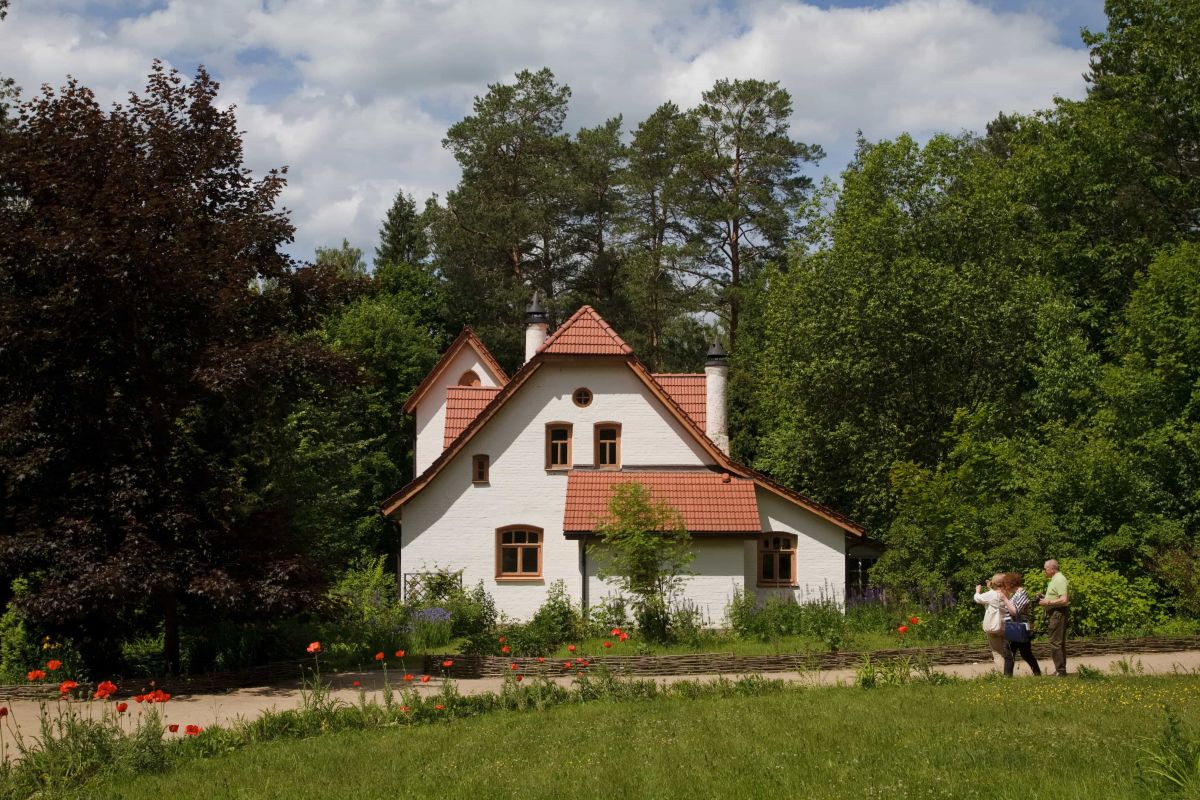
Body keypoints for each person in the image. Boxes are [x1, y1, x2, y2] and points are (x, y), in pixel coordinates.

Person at [999, 572, 1041, 677]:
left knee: (1024, 653)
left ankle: (1037, 673)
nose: (1005, 587)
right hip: (1015, 627)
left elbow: (1015, 611)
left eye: (1005, 584)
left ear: (1010, 583)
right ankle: (1008, 677)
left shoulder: (1022, 593)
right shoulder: (1016, 594)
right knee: (1012, 652)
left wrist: (1004, 599)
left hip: (1021, 628)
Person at [1039, 559, 1070, 676]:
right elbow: (1056, 596)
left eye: (1045, 568)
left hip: (1058, 613)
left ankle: (1060, 671)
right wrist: (1044, 597)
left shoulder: (1060, 579)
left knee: (1055, 642)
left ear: (1052, 569)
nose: (1044, 571)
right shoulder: (1055, 579)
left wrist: (1047, 603)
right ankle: (1060, 670)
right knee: (1057, 642)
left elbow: (1064, 599)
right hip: (1055, 613)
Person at [974, 573, 1008, 670]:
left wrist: (977, 591)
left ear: (994, 583)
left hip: (994, 627)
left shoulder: (991, 595)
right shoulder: (1007, 593)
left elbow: (978, 599)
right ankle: (1008, 671)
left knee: (997, 652)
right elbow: (995, 598)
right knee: (1007, 651)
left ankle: (1004, 674)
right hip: (1006, 627)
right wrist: (991, 588)